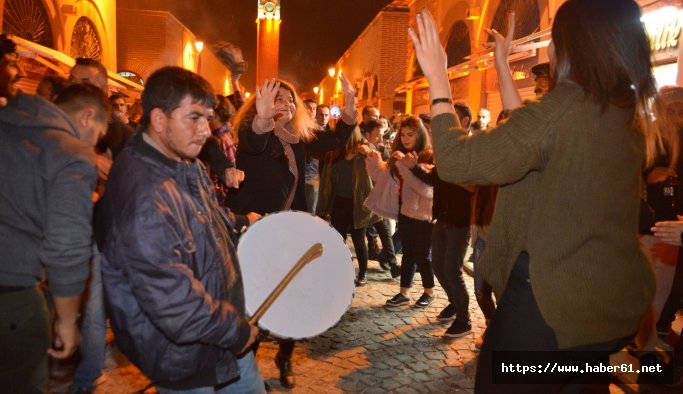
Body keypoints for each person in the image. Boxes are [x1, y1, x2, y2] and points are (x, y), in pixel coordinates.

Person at [409, 1, 658, 391]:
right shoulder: (624, 112)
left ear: (575, 45)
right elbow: (532, 135)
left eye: (556, 41)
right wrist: (502, 65)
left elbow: (457, 162)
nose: (551, 52)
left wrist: (438, 80)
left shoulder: (565, 109)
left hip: (549, 305)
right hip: (608, 304)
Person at [97, 66, 263, 393]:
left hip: (217, 336)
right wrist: (238, 331)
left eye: (208, 118)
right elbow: (175, 306)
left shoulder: (181, 160)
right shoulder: (145, 199)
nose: (206, 130)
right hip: (187, 355)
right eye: (194, 118)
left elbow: (203, 217)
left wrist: (241, 223)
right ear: (159, 119)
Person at [229, 75, 357, 389]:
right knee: (255, 299)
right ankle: (248, 365)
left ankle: (285, 356)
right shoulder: (252, 134)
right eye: (277, 99)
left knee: (292, 295)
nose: (285, 104)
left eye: (289, 100)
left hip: (290, 230)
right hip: (257, 231)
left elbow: (335, 140)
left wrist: (351, 109)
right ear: (260, 104)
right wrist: (261, 120)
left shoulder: (296, 138)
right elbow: (252, 142)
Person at [0, 53, 108, 393]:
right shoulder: (72, 153)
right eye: (98, 136)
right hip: (12, 296)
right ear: (88, 117)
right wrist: (66, 321)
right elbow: (66, 246)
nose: (95, 146)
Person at [409, 102, 475, 337]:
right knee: (438, 265)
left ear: (465, 123)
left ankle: (464, 320)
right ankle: (454, 303)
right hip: (442, 217)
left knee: (452, 269)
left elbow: (476, 184)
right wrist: (415, 168)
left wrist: (450, 172)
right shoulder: (445, 149)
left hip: (461, 220)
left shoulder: (473, 148)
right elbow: (436, 179)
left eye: (452, 119)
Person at [365, 115, 435, 308]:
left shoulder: (428, 155)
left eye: (410, 134)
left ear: (419, 134)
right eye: (403, 134)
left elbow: (425, 190)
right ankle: (404, 292)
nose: (405, 138)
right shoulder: (400, 154)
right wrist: (373, 159)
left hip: (424, 216)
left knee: (422, 255)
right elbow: (382, 176)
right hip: (405, 212)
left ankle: (429, 291)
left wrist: (406, 167)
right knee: (408, 254)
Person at [317, 127, 380, 286]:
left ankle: (363, 273)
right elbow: (326, 180)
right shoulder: (335, 153)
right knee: (338, 239)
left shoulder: (364, 151)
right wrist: (323, 206)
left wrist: (367, 150)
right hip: (339, 202)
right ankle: (341, 270)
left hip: (358, 203)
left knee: (359, 240)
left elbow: (377, 159)